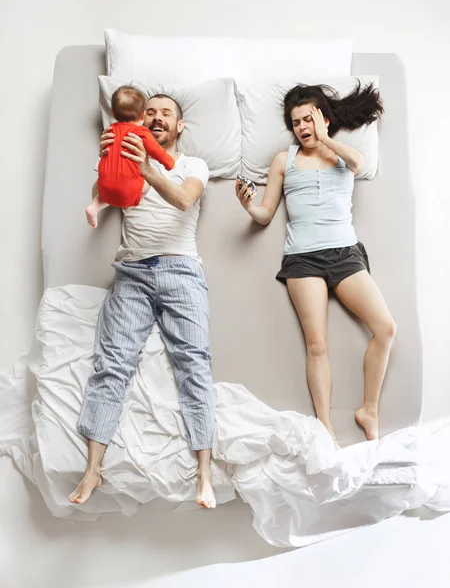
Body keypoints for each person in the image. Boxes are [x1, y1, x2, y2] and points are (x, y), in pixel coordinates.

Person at [70, 94, 216, 509]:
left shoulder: (192, 166)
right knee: (111, 365)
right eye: (150, 111)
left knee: (194, 363)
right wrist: (109, 158)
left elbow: (185, 199)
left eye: (165, 113)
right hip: (132, 272)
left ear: (179, 126)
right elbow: (105, 192)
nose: (156, 118)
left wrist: (146, 168)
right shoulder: (128, 149)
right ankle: (93, 470)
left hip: (181, 270)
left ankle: (205, 474)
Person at [236, 82, 396, 443]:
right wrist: (248, 204)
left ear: (323, 119)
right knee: (317, 345)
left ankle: (368, 409)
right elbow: (264, 215)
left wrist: (325, 139)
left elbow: (357, 163)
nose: (303, 127)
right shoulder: (284, 160)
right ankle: (324, 424)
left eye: (308, 119)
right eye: (296, 123)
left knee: (385, 328)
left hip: (345, 254)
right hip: (302, 260)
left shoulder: (344, 154)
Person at [85, 85, 175, 228]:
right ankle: (135, 201)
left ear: (113, 113)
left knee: (104, 193)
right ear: (142, 116)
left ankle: (94, 207)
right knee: (147, 185)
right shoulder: (141, 132)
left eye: (166, 114)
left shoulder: (109, 131)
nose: (158, 117)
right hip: (128, 190)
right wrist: (169, 163)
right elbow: (157, 151)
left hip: (106, 186)